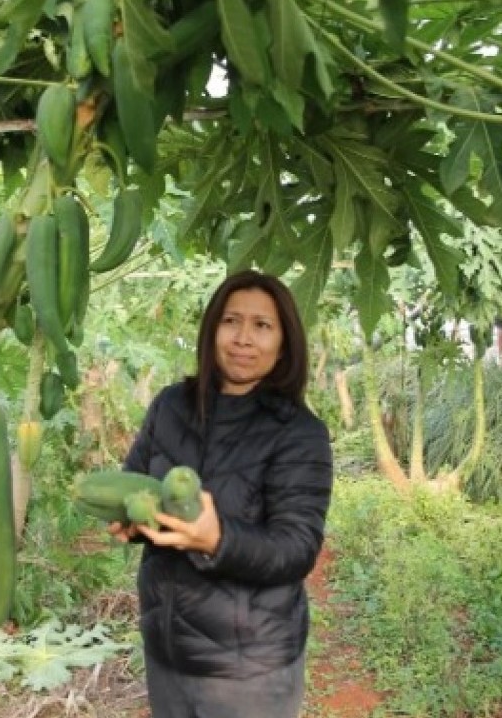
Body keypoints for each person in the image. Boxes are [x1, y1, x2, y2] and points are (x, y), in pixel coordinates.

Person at [108, 269, 334, 718]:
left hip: (248, 673)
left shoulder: (299, 434)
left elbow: (296, 548)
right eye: (231, 321)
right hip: (166, 651)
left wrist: (217, 540)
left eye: (262, 326)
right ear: (213, 329)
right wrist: (131, 522)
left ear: (284, 343)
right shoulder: (170, 406)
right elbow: (135, 481)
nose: (243, 338)